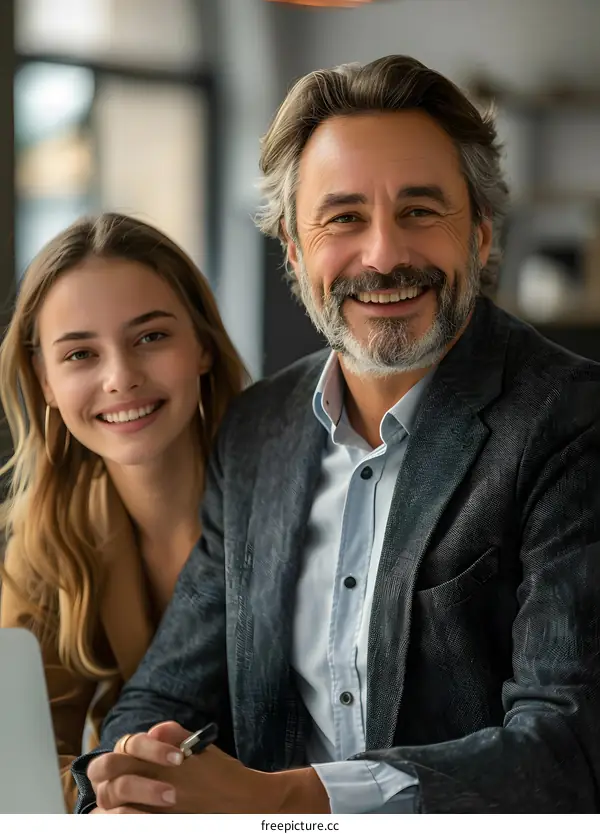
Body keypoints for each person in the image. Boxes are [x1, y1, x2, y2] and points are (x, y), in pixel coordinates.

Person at [73, 56, 600, 814]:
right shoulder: (256, 431)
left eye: (420, 212)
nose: (383, 256)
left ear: (482, 235)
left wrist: (281, 800)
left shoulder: (572, 421)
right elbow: (165, 692)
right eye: (344, 217)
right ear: (292, 248)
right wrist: (123, 781)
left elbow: (567, 749)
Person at [0, 213, 247, 811]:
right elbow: (16, 764)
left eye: (151, 337)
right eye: (81, 354)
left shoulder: (294, 486)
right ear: (46, 382)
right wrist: (98, 784)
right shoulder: (52, 540)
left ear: (203, 347)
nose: (121, 378)